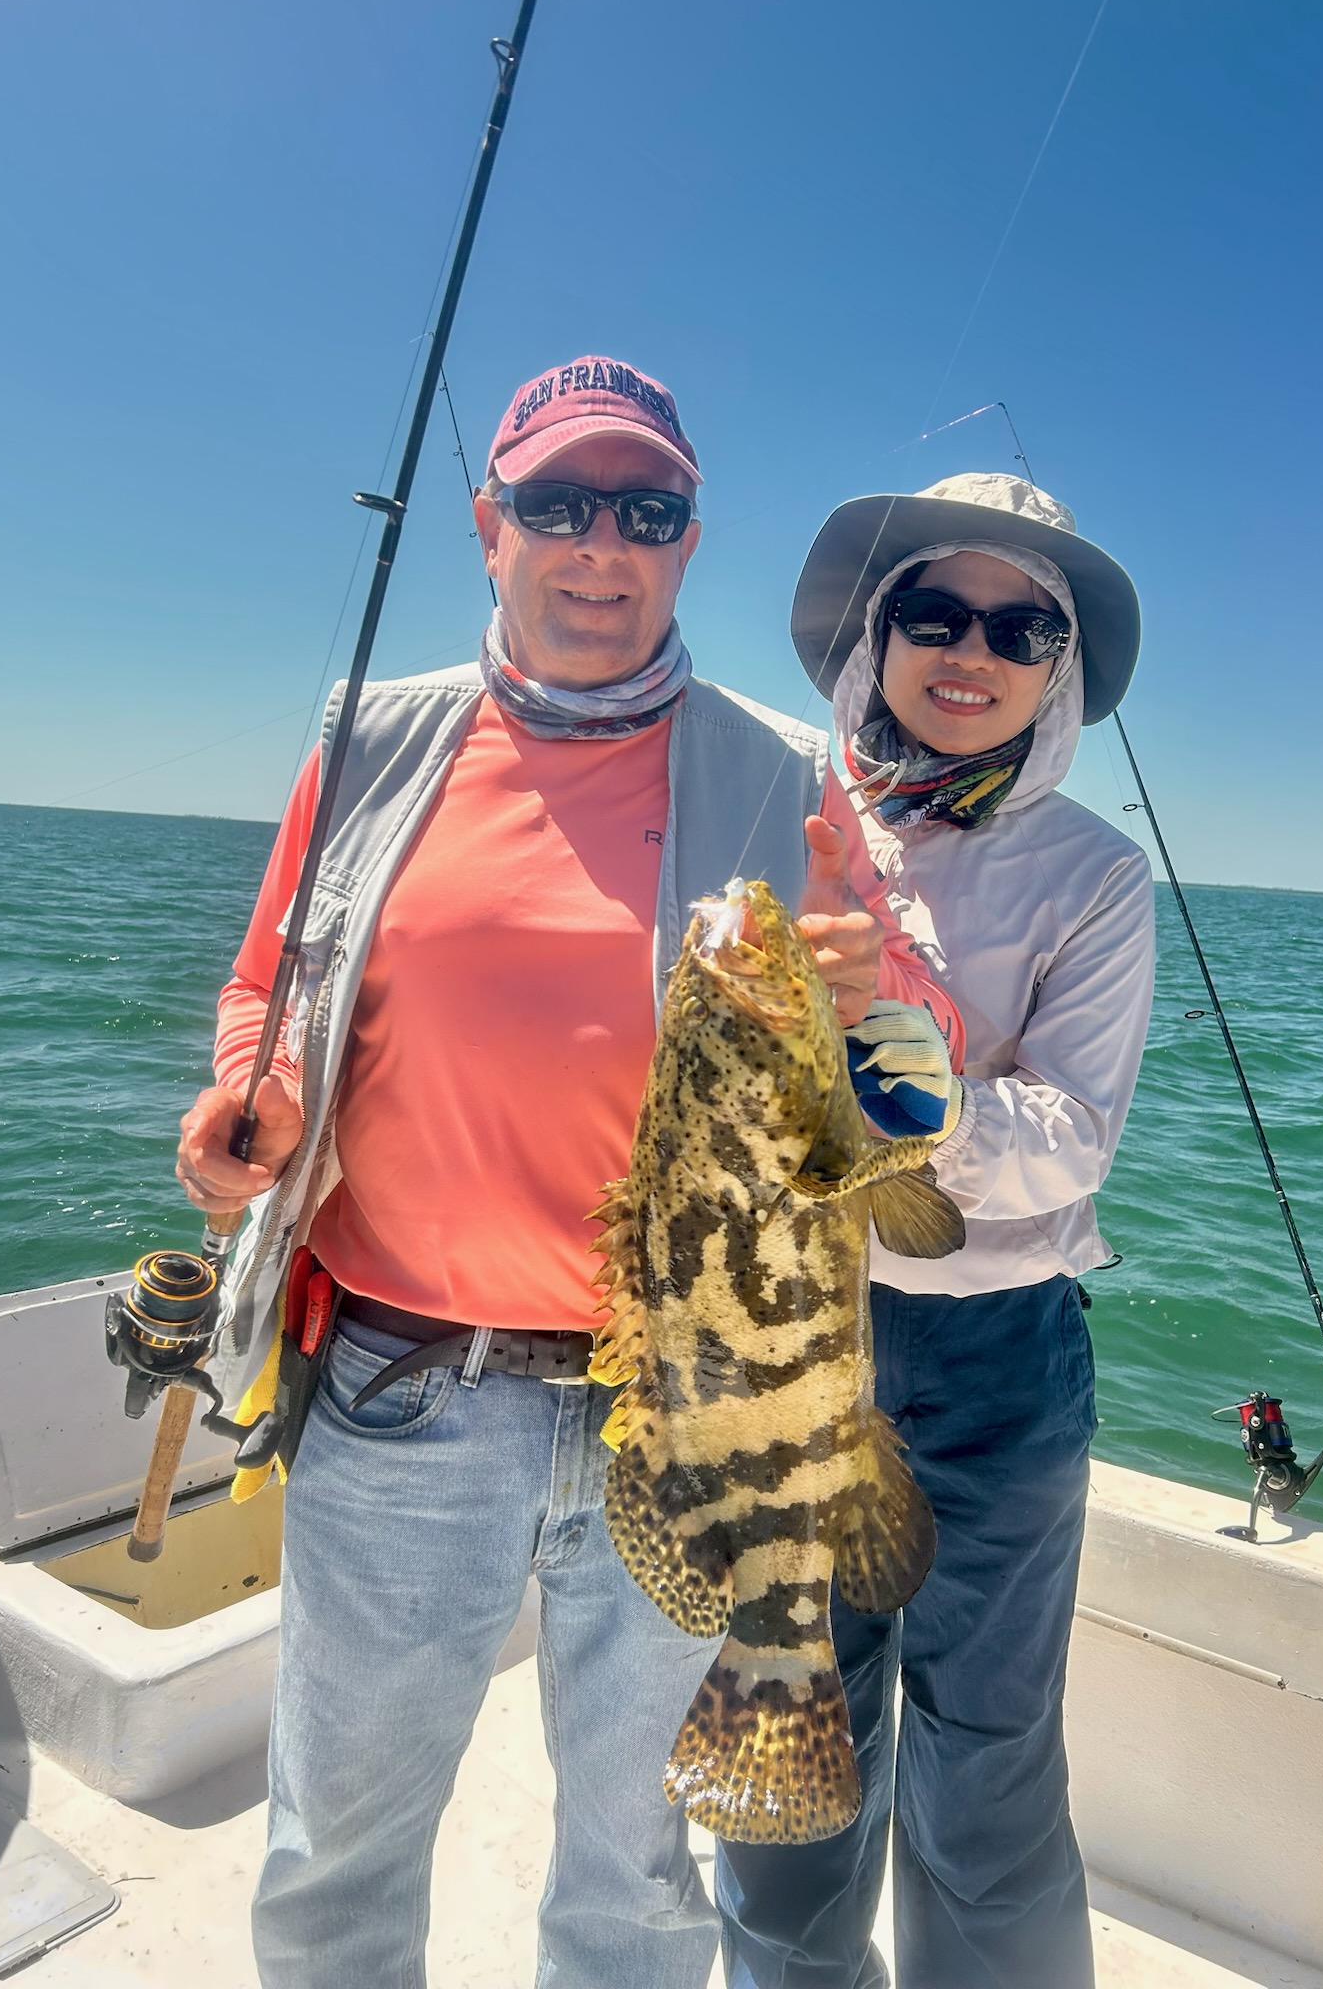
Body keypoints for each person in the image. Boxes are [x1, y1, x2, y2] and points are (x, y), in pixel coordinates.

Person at [173, 357, 965, 1989]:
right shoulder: (373, 742)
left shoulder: (782, 777)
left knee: (638, 1880)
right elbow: (267, 981)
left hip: (687, 1414)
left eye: (646, 511)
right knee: (338, 1848)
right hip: (402, 1398)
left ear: (688, 542)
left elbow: (912, 1097)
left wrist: (879, 997)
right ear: (488, 525)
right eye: (557, 504)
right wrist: (253, 1094)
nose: (599, 546)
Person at [715, 472, 1156, 1989]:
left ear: (1059, 667)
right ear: (878, 630)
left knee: (989, 1762)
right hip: (785, 1335)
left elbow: (1074, 1138)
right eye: (935, 613)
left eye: (1020, 626)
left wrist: (897, 1057)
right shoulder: (768, 817)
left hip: (997, 1359)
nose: (972, 651)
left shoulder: (1095, 877)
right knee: (789, 1723)